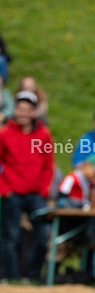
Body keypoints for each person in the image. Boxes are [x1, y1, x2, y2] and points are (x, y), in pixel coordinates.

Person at [0, 91, 54, 282]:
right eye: (20, 109)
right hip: (12, 193)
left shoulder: (43, 134)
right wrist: (4, 189)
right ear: (15, 110)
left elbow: (49, 164)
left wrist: (44, 188)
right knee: (9, 237)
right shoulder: (4, 133)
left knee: (42, 236)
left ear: (33, 112)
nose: (23, 113)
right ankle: (10, 277)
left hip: (35, 193)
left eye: (27, 110)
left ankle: (32, 276)